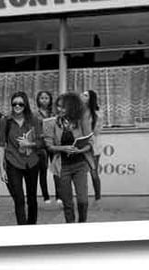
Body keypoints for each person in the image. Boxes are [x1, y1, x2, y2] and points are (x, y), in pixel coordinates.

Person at [44, 92, 95, 223]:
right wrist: (63, 148)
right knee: (68, 203)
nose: (60, 109)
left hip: (80, 165)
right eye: (58, 106)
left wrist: (80, 150)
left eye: (63, 107)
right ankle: (70, 227)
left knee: (83, 200)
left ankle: (82, 223)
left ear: (72, 107)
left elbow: (90, 142)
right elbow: (49, 146)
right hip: (62, 167)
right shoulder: (52, 123)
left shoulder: (81, 120)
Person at [0, 91, 43, 225]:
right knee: (18, 198)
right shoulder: (5, 121)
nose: (17, 106)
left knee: (32, 198)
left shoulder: (34, 120)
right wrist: (1, 168)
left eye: (20, 104)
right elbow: (1, 144)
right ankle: (22, 228)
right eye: (14, 104)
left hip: (32, 162)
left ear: (26, 105)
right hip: (13, 162)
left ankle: (31, 225)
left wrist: (29, 144)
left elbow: (41, 142)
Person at [81, 89, 102, 201]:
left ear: (91, 98)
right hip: (79, 145)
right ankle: (82, 197)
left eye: (85, 95)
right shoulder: (79, 111)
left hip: (92, 146)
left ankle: (98, 197)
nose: (82, 96)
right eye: (83, 94)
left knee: (93, 172)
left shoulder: (97, 113)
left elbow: (96, 131)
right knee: (80, 173)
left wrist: (88, 140)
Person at [34, 91, 54, 204]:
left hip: (53, 143)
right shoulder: (35, 113)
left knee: (56, 169)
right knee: (43, 170)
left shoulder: (54, 112)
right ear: (38, 100)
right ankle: (46, 196)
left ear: (50, 100)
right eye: (42, 98)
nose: (44, 100)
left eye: (46, 98)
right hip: (41, 144)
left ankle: (59, 195)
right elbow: (33, 129)